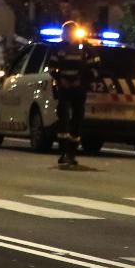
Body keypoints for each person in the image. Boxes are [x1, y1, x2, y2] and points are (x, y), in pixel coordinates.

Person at [50, 21, 95, 167]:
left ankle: (72, 154)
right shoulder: (58, 48)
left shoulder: (86, 49)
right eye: (66, 32)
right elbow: (51, 67)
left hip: (78, 90)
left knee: (76, 121)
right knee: (63, 121)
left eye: (70, 32)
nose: (67, 35)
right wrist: (60, 79)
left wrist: (81, 80)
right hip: (63, 89)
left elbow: (95, 68)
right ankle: (63, 153)